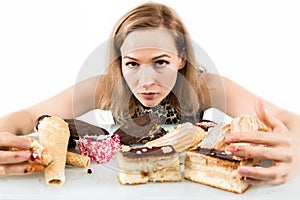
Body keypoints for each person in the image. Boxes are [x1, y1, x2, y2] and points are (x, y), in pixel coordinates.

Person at [0, 2, 300, 186]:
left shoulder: (203, 87)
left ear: (181, 58)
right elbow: (27, 117)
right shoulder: (106, 86)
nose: (146, 81)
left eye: (161, 63)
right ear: (120, 62)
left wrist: (295, 150)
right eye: (132, 64)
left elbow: (288, 119)